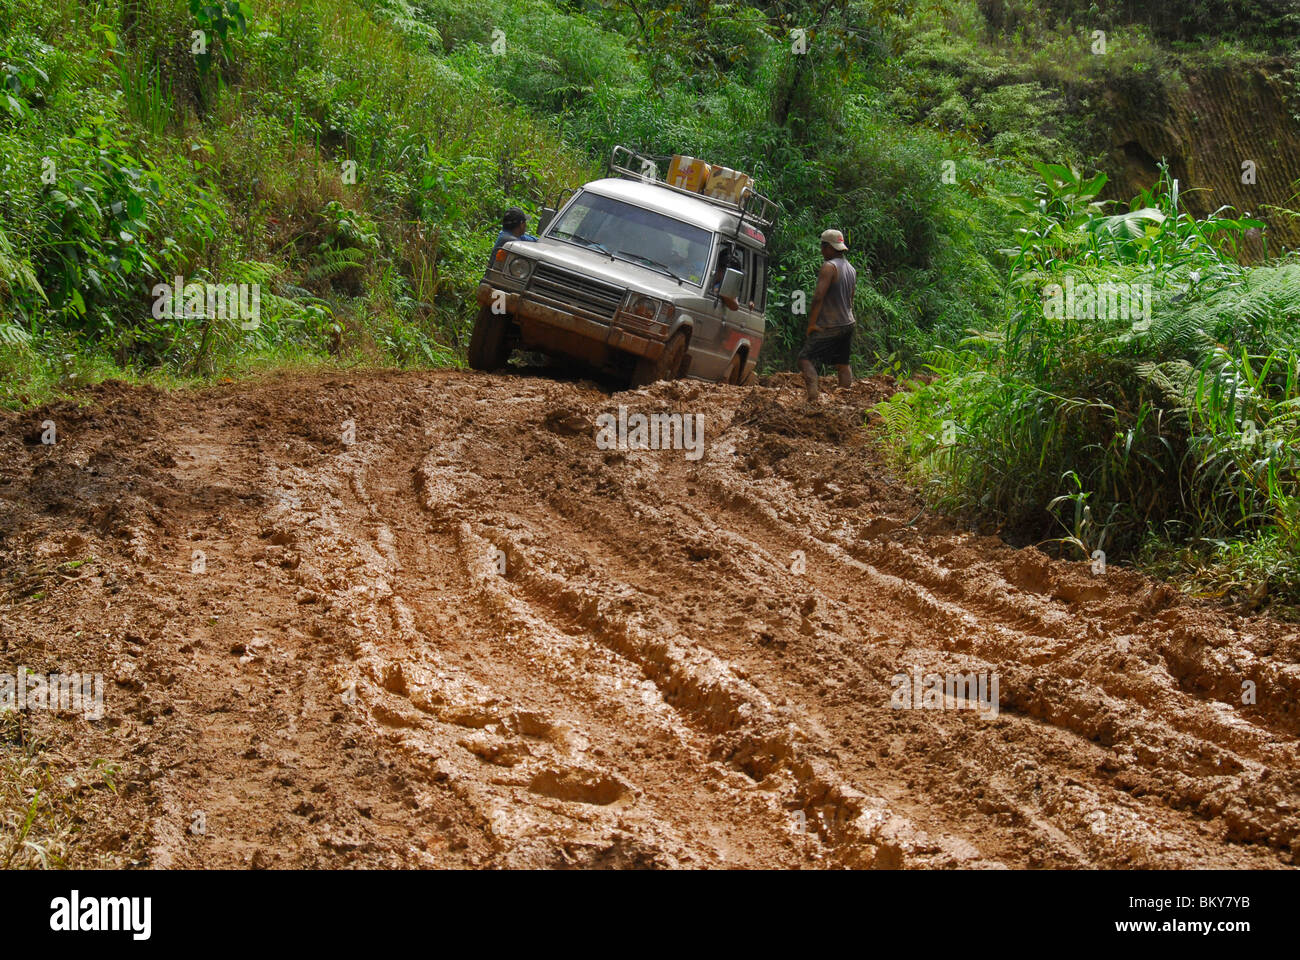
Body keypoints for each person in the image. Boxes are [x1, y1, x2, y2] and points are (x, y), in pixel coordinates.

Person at [797, 228, 856, 403]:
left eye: (823, 247)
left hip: (832, 324)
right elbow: (851, 298)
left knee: (804, 359)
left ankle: (813, 397)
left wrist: (812, 324)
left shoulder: (829, 267)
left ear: (828, 247)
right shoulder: (851, 269)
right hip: (848, 322)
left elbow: (818, 297)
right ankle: (845, 401)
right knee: (843, 364)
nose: (822, 251)